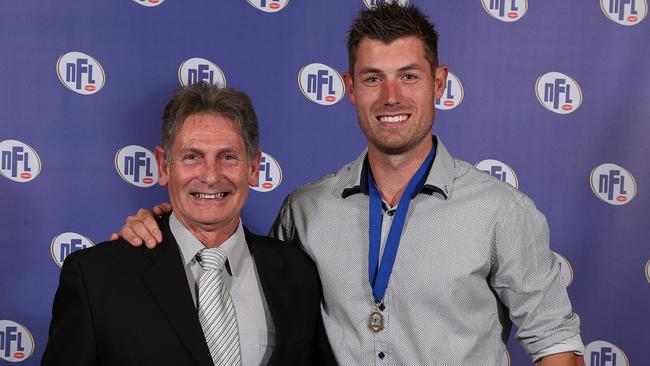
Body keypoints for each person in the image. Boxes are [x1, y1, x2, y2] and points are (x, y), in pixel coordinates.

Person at [115, 3, 584, 365]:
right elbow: (238, 272)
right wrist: (163, 224)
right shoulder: (305, 209)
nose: (392, 97)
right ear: (349, 87)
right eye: (373, 78)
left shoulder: (501, 210)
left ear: (438, 83)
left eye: (409, 76)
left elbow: (557, 343)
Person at [42, 83, 330, 366]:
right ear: (164, 165)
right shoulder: (96, 278)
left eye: (228, 157)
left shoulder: (297, 274)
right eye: (192, 156)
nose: (210, 176)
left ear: (253, 168)